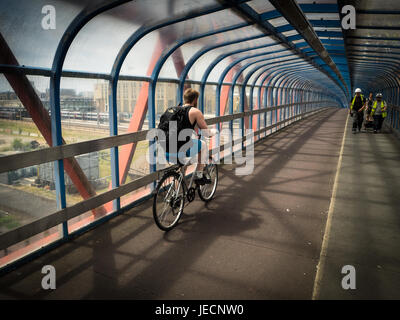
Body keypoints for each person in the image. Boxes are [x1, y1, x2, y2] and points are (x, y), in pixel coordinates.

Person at [163, 88, 216, 185]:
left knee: (183, 162)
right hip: (181, 151)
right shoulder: (195, 112)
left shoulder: (174, 110)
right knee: (203, 145)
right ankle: (199, 176)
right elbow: (206, 133)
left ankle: (177, 192)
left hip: (166, 151)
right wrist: (214, 132)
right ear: (195, 99)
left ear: (184, 98)